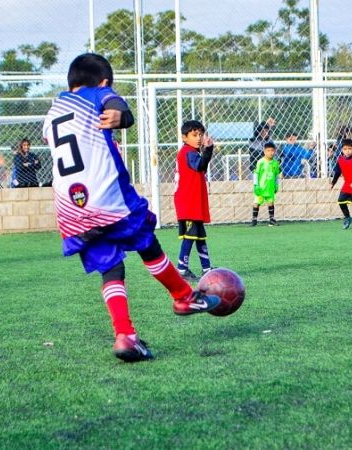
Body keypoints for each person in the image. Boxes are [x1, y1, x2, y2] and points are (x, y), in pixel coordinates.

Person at [42, 53, 219, 363]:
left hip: (71, 208)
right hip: (107, 195)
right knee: (147, 242)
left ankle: (125, 336)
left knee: (111, 267)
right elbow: (118, 107)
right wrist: (121, 116)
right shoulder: (97, 93)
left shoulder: (52, 112)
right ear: (105, 81)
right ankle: (183, 297)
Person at [174, 120, 215, 281]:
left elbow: (201, 166)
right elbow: (199, 165)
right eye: (194, 135)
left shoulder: (192, 152)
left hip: (192, 202)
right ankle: (181, 269)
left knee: (199, 236)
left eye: (200, 134)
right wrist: (209, 149)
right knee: (190, 237)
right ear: (185, 137)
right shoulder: (188, 152)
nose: (198, 138)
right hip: (188, 203)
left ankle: (207, 268)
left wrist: (207, 150)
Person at [251, 142, 280, 227]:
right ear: (264, 151)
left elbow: (276, 175)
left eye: (272, 150)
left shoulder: (275, 163)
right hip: (261, 188)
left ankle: (271, 219)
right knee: (257, 203)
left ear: (274, 151)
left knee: (270, 202)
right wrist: (256, 185)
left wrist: (276, 184)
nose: (270, 152)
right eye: (268, 150)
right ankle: (254, 219)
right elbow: (256, 174)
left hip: (270, 187)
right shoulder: (261, 162)